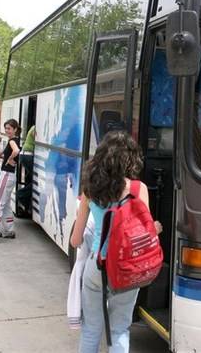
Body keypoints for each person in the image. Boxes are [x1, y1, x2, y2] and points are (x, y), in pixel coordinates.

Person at [70, 131, 161, 353]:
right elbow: (147, 235)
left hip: (97, 266)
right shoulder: (139, 189)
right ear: (131, 159)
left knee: (91, 329)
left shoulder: (90, 190)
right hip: (128, 269)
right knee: (119, 330)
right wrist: (156, 227)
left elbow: (75, 240)